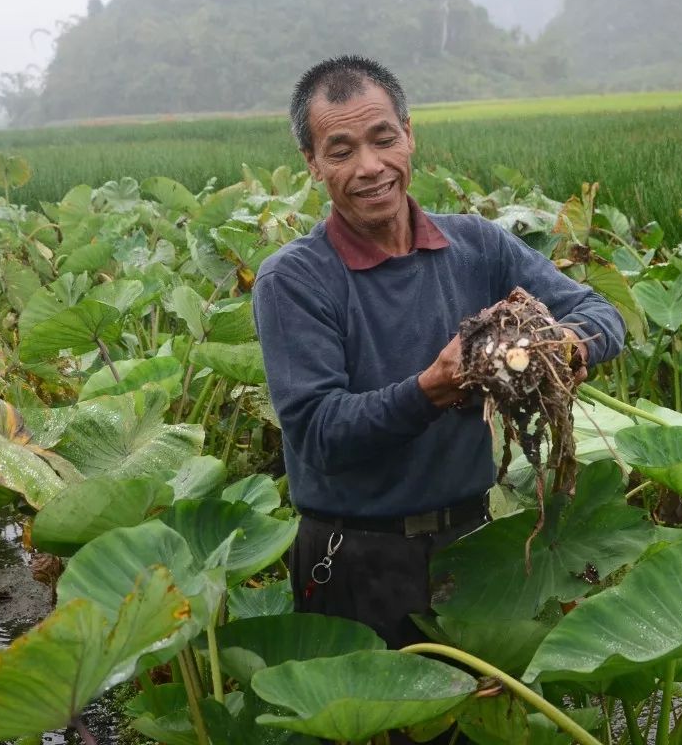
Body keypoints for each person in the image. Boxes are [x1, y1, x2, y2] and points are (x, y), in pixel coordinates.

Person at [253, 55, 626, 651]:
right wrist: (429, 389)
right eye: (342, 150)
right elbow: (319, 432)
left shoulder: (476, 245)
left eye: (384, 139)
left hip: (474, 546)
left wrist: (560, 348)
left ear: (409, 134)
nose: (370, 167)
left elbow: (602, 316)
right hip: (353, 558)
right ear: (313, 163)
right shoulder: (294, 281)